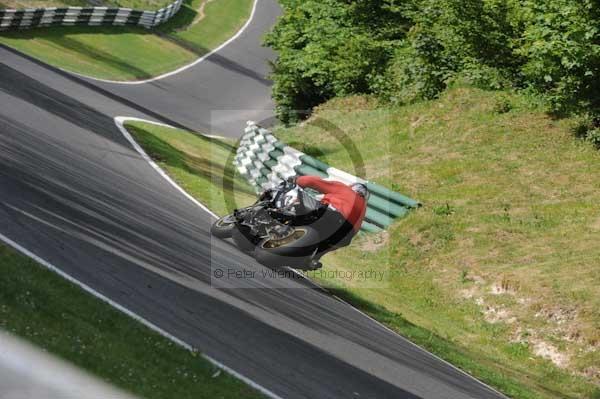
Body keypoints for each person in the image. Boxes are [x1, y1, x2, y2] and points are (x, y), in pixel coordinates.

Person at [294, 175, 369, 268]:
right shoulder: (363, 209)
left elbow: (309, 181)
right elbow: (353, 233)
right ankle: (313, 259)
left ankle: (284, 222)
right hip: (343, 234)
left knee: (298, 200)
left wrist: (297, 180)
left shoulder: (345, 189)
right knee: (336, 241)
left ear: (352, 187)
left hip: (329, 216)